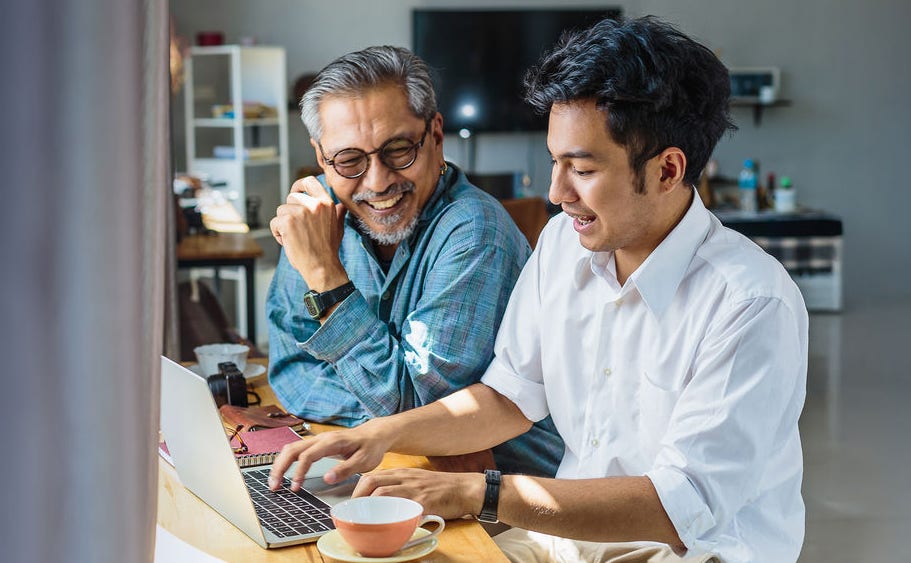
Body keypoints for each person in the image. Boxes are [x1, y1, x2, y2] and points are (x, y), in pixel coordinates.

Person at [269, 16, 809, 563]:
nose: (556, 193)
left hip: (687, 550)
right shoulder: (564, 245)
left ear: (668, 170)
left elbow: (681, 505)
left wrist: (481, 493)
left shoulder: (750, 303)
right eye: (555, 162)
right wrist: (381, 435)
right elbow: (507, 398)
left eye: (581, 169)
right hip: (567, 539)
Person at [266, 45, 564, 477]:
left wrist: (324, 276)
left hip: (500, 498)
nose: (378, 181)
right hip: (387, 465)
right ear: (321, 158)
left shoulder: (475, 229)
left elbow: (415, 406)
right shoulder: (312, 215)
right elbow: (291, 369)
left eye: (398, 150)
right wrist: (384, 423)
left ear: (436, 136)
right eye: (349, 160)